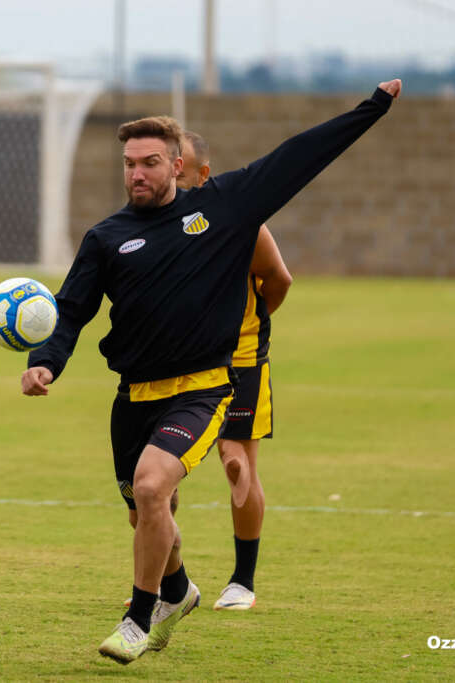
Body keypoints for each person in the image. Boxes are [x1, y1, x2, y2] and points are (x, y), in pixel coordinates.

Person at [22, 79, 400, 664]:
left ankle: (137, 619)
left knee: (151, 487)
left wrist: (371, 107)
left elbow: (296, 158)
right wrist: (44, 363)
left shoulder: (223, 207)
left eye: (149, 163)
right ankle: (177, 589)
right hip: (134, 397)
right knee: (143, 509)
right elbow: (71, 311)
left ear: (178, 165)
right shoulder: (106, 238)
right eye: (128, 164)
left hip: (202, 388)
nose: (137, 174)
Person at [176, 130, 292, 611]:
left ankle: (242, 582)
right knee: (156, 477)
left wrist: (250, 326)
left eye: (177, 164)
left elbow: (279, 281)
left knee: (237, 462)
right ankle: (167, 580)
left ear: (203, 173)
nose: (170, 172)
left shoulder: (241, 224)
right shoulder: (145, 226)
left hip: (239, 361)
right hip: (173, 363)